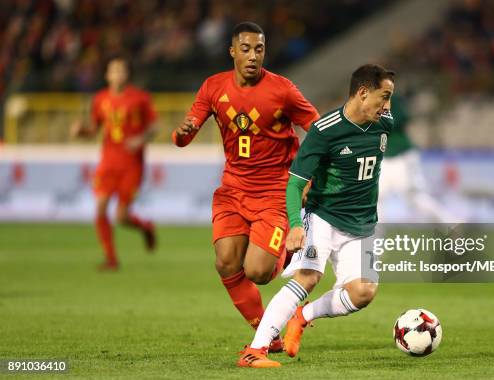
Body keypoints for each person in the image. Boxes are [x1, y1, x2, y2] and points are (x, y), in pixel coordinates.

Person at [172, 22, 319, 352]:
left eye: (259, 49)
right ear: (233, 52)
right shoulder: (213, 87)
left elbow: (318, 131)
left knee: (258, 272)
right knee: (225, 262)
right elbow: (184, 136)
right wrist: (181, 134)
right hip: (233, 190)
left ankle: (291, 247)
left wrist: (308, 176)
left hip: (275, 192)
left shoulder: (282, 90)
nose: (253, 56)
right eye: (246, 49)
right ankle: (271, 334)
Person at [238, 63, 395, 368]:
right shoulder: (325, 130)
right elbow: (295, 183)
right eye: (384, 96)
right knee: (309, 277)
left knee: (363, 292)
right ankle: (255, 350)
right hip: (323, 217)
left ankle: (304, 315)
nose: (387, 106)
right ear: (363, 93)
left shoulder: (384, 124)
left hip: (362, 224)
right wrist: (296, 225)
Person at [71, 56, 157, 271]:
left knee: (121, 217)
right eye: (113, 71)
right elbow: (94, 130)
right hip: (108, 161)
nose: (117, 74)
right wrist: (81, 131)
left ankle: (146, 228)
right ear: (107, 75)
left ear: (127, 75)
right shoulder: (100, 100)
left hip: (132, 164)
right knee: (100, 208)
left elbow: (154, 127)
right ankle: (111, 259)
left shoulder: (140, 98)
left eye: (121, 70)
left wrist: (140, 139)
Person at [378, 93, 460, 223]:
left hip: (401, 155)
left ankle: (450, 221)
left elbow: (402, 117)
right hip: (386, 158)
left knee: (415, 198)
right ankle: (375, 240)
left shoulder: (389, 98)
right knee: (376, 198)